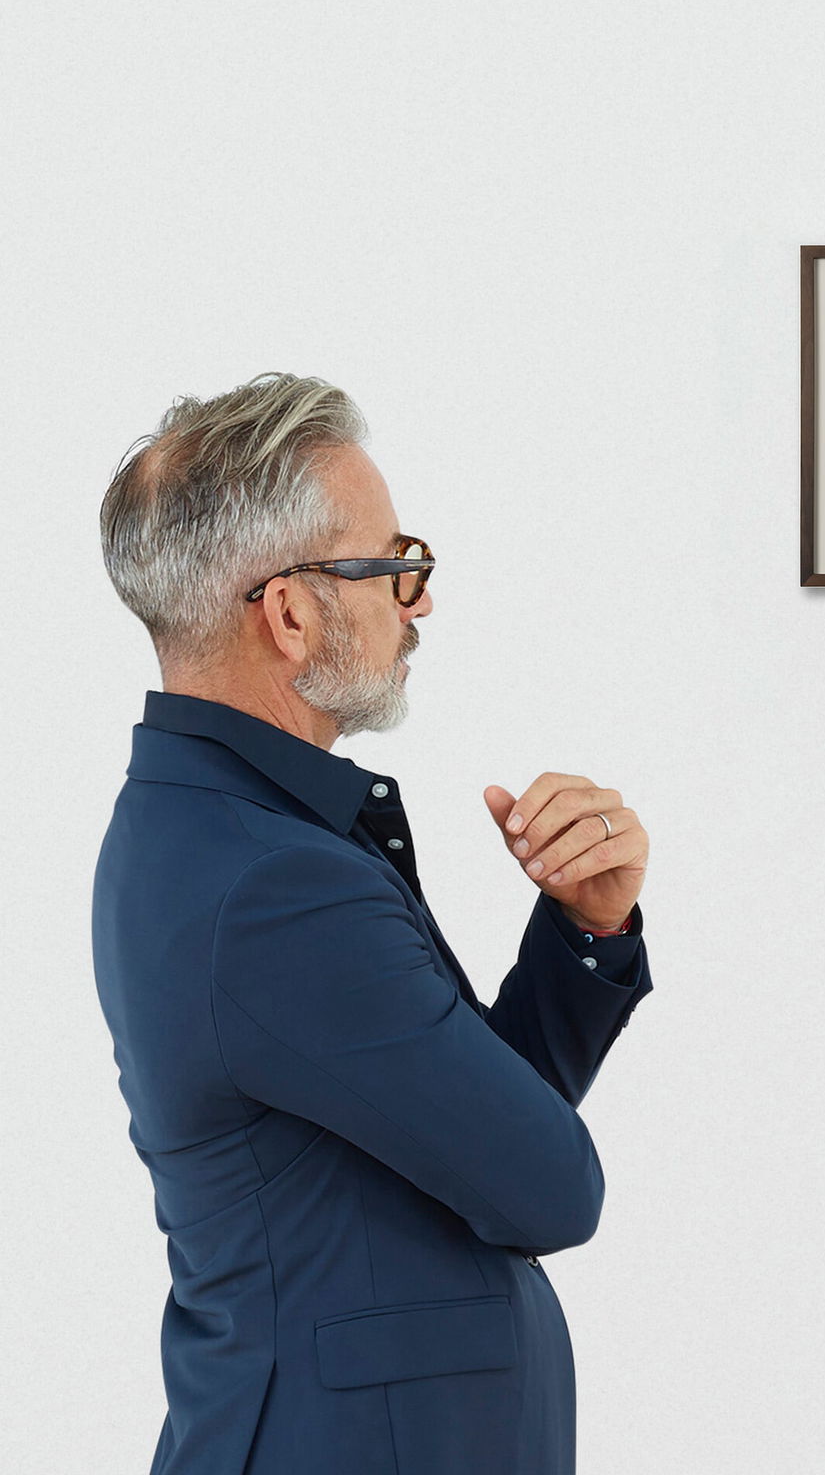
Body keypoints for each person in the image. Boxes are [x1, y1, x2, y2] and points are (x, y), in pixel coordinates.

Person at [92, 372, 653, 1475]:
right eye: (394, 566)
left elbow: (475, 1127)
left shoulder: (221, 832)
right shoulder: (271, 882)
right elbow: (548, 1184)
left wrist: (587, 929)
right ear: (293, 614)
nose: (418, 600)